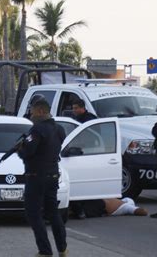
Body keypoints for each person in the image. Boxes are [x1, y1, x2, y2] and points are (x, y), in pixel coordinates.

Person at [17, 99, 68, 257]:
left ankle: (45, 251)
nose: (31, 115)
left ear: (40, 111)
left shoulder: (37, 130)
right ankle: (62, 249)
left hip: (36, 177)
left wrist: (20, 148)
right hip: (53, 175)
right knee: (53, 212)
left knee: (34, 213)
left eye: (32, 112)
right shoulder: (59, 129)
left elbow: (27, 152)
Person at [69, 198, 148, 218]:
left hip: (102, 207)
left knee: (83, 208)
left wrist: (142, 210)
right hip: (101, 204)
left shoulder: (126, 207)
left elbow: (141, 211)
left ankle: (78, 212)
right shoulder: (121, 203)